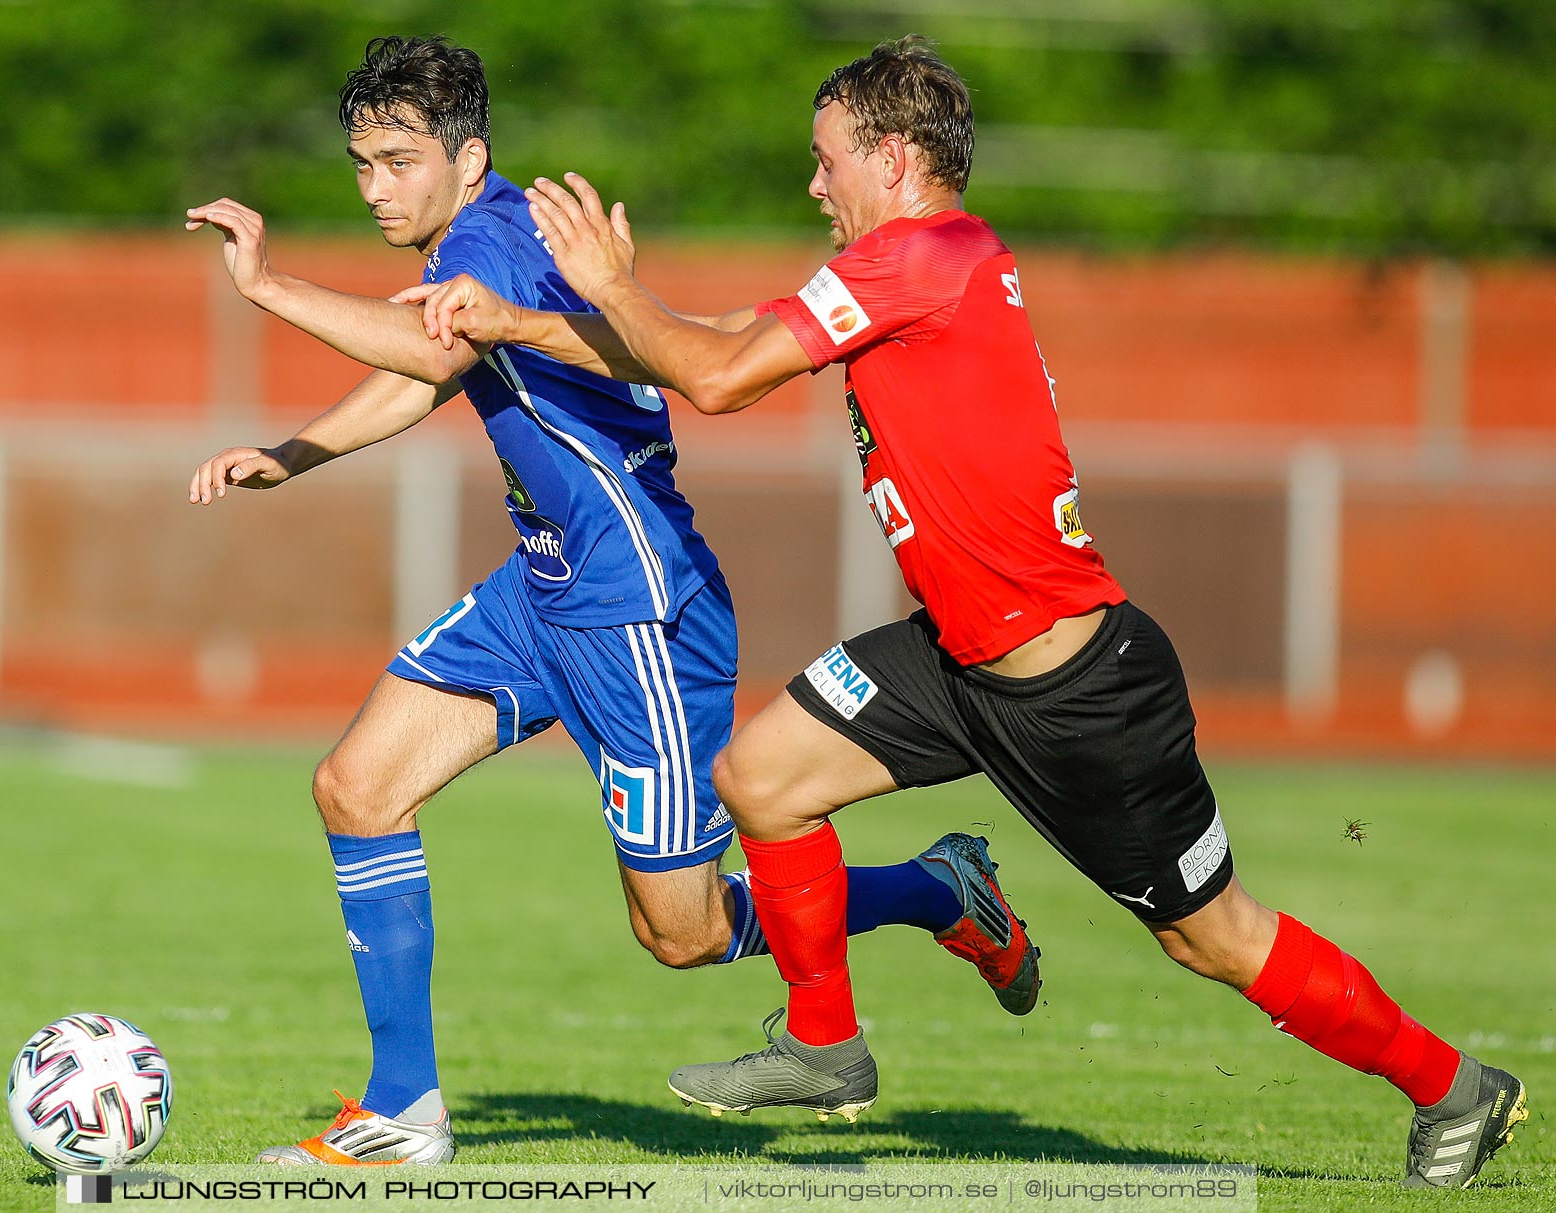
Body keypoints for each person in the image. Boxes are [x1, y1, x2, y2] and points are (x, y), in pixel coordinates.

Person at [400, 34, 1527, 1190]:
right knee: (764, 779)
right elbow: (723, 341)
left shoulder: (922, 258)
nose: (814, 183)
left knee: (1214, 936)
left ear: (892, 159)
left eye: (827, 158)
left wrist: (609, 289)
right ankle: (826, 1047)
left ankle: (1454, 1085)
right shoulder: (907, 267)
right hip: (954, 661)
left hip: (1077, 689)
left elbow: (719, 380)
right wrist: (520, 321)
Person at [182, 35, 1040, 1166]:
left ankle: (935, 889)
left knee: (680, 936)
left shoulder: (491, 235)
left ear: (468, 156)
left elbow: (428, 355)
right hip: (543, 589)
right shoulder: (487, 239)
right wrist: (294, 453)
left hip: (636, 604)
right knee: (355, 786)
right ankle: (404, 1108)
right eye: (361, 164)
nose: (376, 186)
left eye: (398, 161)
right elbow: (423, 369)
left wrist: (266, 285)